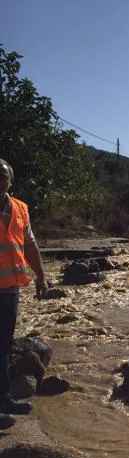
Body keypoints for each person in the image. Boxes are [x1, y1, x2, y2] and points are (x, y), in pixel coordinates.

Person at [0, 159, 47, 414]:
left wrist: (41, 275)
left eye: (2, 176)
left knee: (4, 346)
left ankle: (3, 398)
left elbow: (29, 245)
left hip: (9, 290)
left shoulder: (19, 209)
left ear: (10, 181)